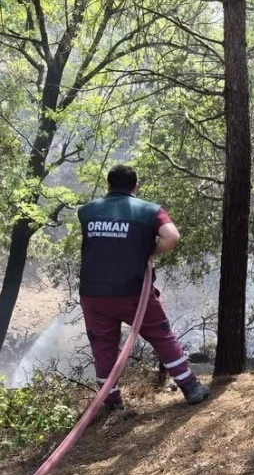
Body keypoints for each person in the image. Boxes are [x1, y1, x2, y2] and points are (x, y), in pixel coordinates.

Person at [78, 165, 210, 410]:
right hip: (133, 292)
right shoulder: (150, 211)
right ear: (135, 185)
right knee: (161, 335)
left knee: (103, 347)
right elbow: (172, 236)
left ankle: (112, 403)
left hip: (93, 294)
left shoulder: (86, 212)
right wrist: (150, 252)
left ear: (109, 185)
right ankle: (191, 387)